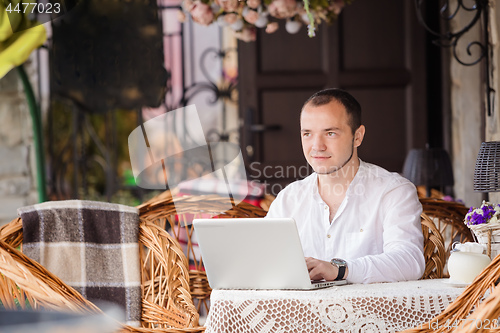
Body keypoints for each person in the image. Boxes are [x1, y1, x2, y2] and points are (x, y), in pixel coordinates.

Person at [266, 88, 425, 284]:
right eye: (307, 133)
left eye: (330, 133)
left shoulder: (393, 191)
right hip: (302, 313)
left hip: (371, 313)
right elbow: (262, 260)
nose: (317, 146)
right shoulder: (288, 199)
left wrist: (341, 270)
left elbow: (410, 261)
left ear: (357, 136)